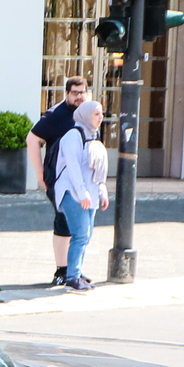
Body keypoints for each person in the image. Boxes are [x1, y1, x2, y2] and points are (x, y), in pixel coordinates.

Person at [27, 75, 90, 286]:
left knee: (80, 226)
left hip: (81, 180)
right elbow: (33, 138)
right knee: (63, 222)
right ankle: (62, 271)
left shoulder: (87, 114)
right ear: (67, 93)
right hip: (60, 180)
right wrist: (40, 174)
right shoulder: (56, 115)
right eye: (75, 93)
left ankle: (74, 270)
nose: (79, 96)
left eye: (83, 92)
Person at [54, 94, 110, 291]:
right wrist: (82, 193)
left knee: (86, 235)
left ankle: (76, 272)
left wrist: (102, 192)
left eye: (101, 113)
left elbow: (98, 171)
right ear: (86, 115)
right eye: (96, 113)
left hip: (90, 195)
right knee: (80, 234)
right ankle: (73, 276)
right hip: (73, 193)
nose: (100, 117)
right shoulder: (73, 136)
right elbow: (73, 168)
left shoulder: (92, 137)